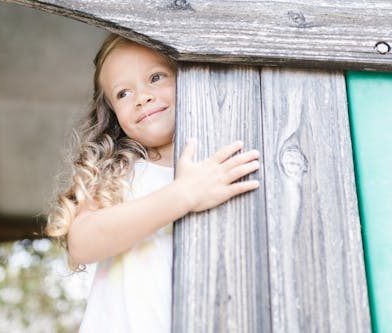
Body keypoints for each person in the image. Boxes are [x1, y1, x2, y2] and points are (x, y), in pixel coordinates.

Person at [46, 34, 260, 333]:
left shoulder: (222, 167)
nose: (142, 97)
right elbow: (81, 244)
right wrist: (182, 195)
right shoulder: (120, 173)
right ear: (113, 115)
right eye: (123, 93)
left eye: (156, 77)